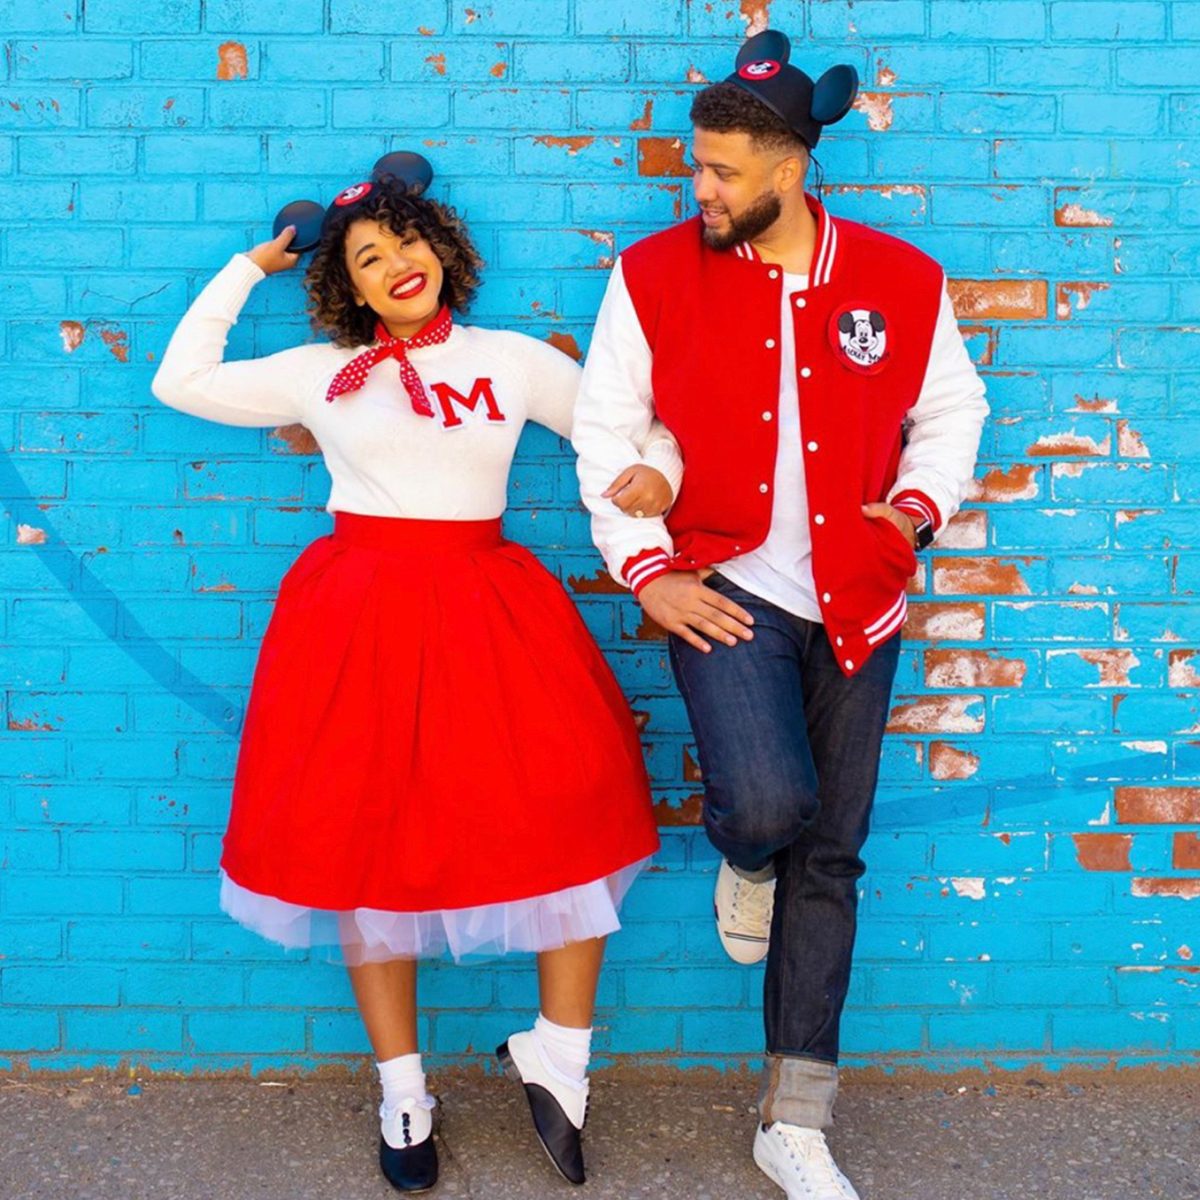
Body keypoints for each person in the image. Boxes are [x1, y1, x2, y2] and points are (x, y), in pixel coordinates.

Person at [151, 162, 682, 1193]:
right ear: (344, 284)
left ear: (443, 249)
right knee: (366, 839)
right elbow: (180, 379)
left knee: (569, 806)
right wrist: (251, 266)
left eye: (407, 241)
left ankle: (561, 1058)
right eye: (368, 256)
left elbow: (635, 428)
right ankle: (403, 1090)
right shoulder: (321, 371)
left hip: (490, 605)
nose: (397, 263)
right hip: (357, 617)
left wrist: (661, 474)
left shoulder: (510, 359)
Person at [573, 30, 988, 1200]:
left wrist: (914, 512)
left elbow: (952, 409)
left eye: (722, 171)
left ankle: (793, 1122)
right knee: (767, 807)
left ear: (791, 168)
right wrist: (646, 570)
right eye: (695, 165)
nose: (699, 188)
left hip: (861, 598)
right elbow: (606, 431)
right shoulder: (651, 276)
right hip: (726, 587)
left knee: (833, 859)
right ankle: (744, 855)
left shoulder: (900, 279)